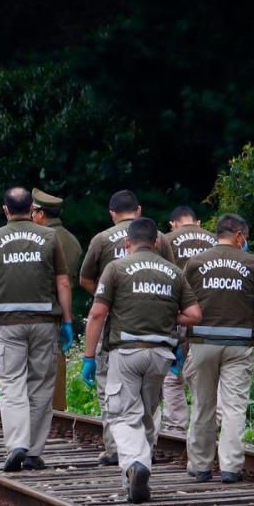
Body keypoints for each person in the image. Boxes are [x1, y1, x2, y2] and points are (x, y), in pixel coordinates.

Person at [81, 217, 201, 503]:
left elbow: (98, 314)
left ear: (127, 243)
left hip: (126, 352)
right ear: (158, 243)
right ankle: (142, 463)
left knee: (122, 413)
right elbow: (195, 315)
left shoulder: (116, 268)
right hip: (161, 354)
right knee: (147, 412)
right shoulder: (173, 272)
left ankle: (137, 464)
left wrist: (88, 355)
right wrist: (168, 314)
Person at [0, 187, 73, 471]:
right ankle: (33, 451)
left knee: (12, 384)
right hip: (45, 322)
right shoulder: (50, 237)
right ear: (32, 208)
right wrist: (67, 321)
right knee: (41, 385)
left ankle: (17, 442)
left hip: (7, 323)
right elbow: (63, 282)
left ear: (5, 210)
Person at [77, 190, 177, 464]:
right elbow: (170, 277)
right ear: (140, 209)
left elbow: (85, 278)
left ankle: (115, 448)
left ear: (112, 213)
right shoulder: (161, 239)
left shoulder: (100, 239)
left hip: (111, 320)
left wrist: (107, 297)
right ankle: (147, 446)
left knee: (109, 385)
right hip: (155, 324)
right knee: (151, 394)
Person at [182, 213, 254, 483]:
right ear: (239, 235)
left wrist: (179, 343)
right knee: (234, 407)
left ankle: (200, 466)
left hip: (201, 344)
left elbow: (182, 305)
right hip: (239, 346)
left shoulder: (195, 263)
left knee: (203, 405)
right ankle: (230, 468)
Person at [158, 205, 216, 432]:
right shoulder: (216, 240)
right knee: (212, 373)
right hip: (214, 316)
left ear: (172, 224)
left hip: (181, 315)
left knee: (173, 373)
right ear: (198, 222)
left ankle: (176, 425)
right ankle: (215, 422)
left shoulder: (166, 240)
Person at [31, 187, 82, 410]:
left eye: (33, 212)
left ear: (41, 214)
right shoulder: (72, 240)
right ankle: (58, 408)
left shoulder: (39, 237)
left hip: (39, 305)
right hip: (61, 306)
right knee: (56, 357)